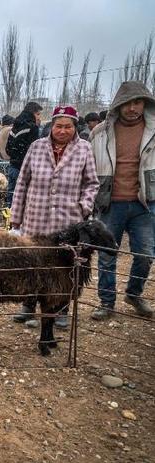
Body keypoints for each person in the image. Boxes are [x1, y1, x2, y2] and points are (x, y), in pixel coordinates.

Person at [9, 106, 99, 329]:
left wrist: (83, 207)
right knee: (31, 262)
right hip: (36, 217)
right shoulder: (36, 147)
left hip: (67, 220)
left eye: (68, 126)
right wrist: (16, 219)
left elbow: (91, 183)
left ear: (74, 127)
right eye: (58, 126)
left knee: (63, 266)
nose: (62, 130)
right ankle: (28, 306)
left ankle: (60, 309)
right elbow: (22, 183)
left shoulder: (84, 149)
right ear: (52, 126)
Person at [90, 81, 155, 320]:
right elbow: (89, 167)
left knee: (146, 254)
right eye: (127, 103)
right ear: (118, 105)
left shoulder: (153, 129)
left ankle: (134, 293)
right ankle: (106, 302)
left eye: (137, 102)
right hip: (110, 202)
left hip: (145, 203)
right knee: (107, 254)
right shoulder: (100, 132)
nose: (132, 108)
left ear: (145, 103)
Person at [6, 101, 43, 206]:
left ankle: (9, 219)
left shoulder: (16, 125)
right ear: (32, 113)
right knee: (23, 199)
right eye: (38, 114)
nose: (39, 117)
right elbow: (34, 150)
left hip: (13, 166)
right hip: (25, 169)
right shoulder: (32, 127)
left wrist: (14, 157)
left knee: (11, 196)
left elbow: (8, 148)